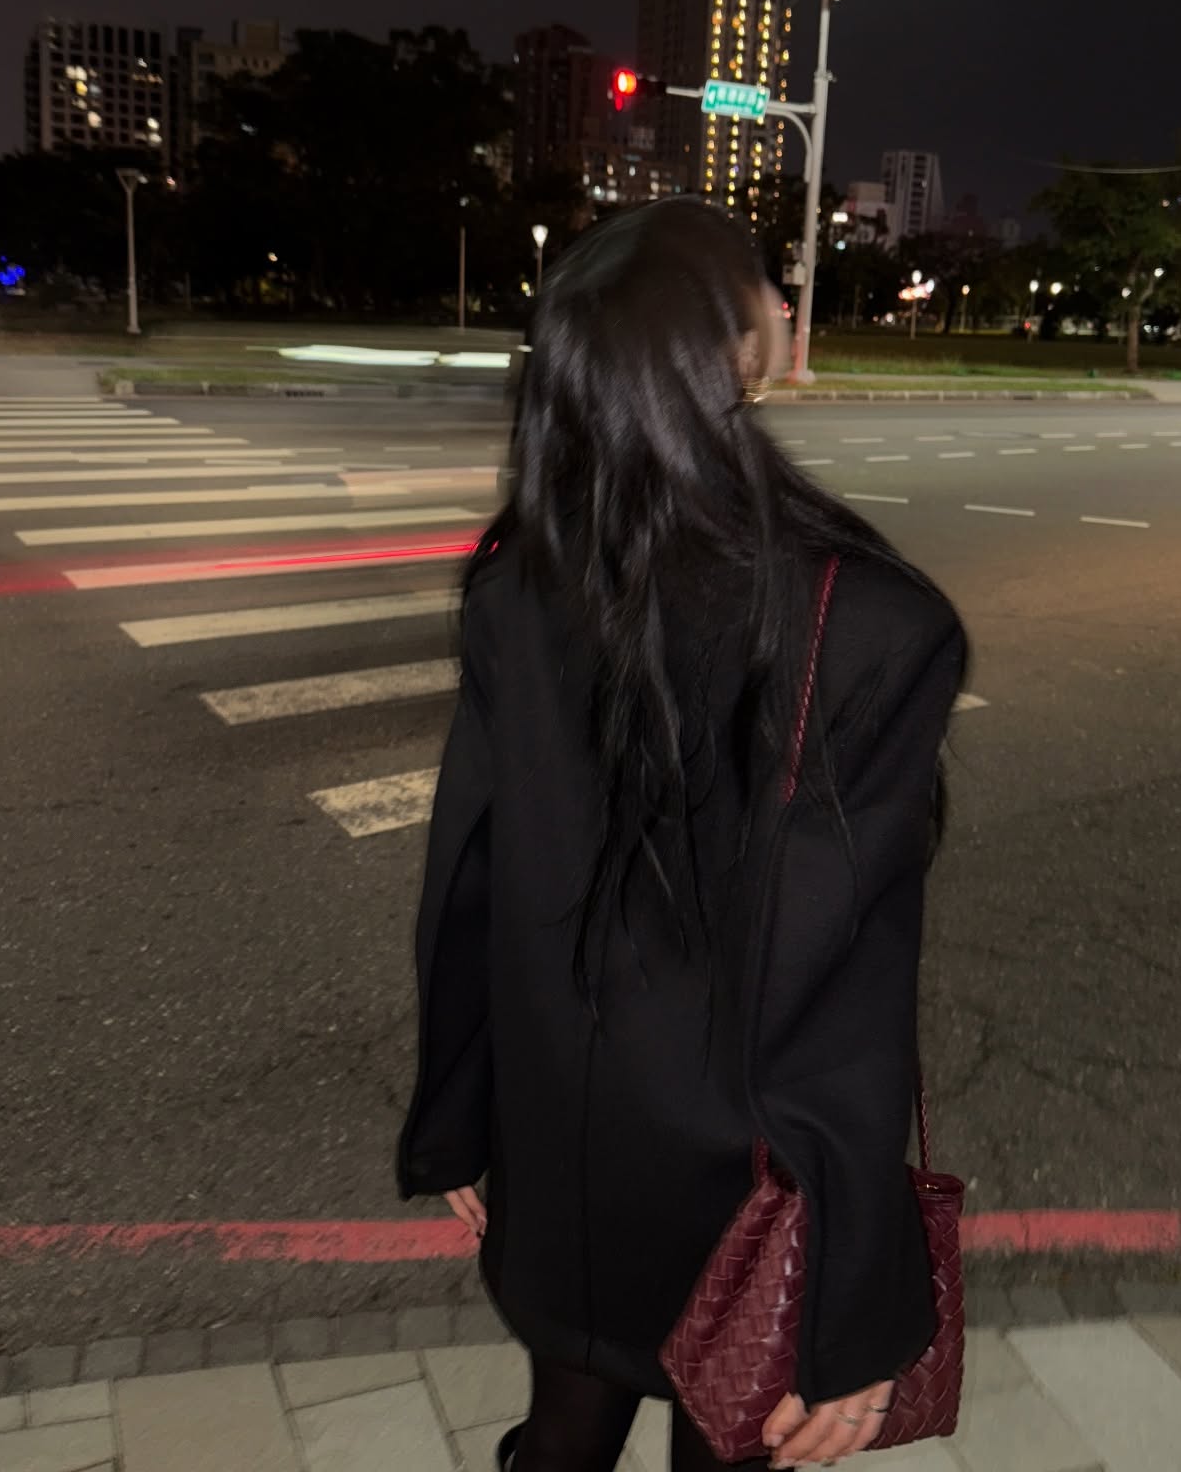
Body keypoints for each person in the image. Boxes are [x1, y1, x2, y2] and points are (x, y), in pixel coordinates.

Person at [398, 199, 965, 1472]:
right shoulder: (871, 623)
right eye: (763, 286)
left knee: (568, 1419)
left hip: (558, 1138)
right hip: (744, 1175)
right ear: (724, 348)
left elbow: (469, 881)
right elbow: (841, 996)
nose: (783, 302)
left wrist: (458, 1117)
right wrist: (852, 1304)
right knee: (728, 1437)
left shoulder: (519, 579)